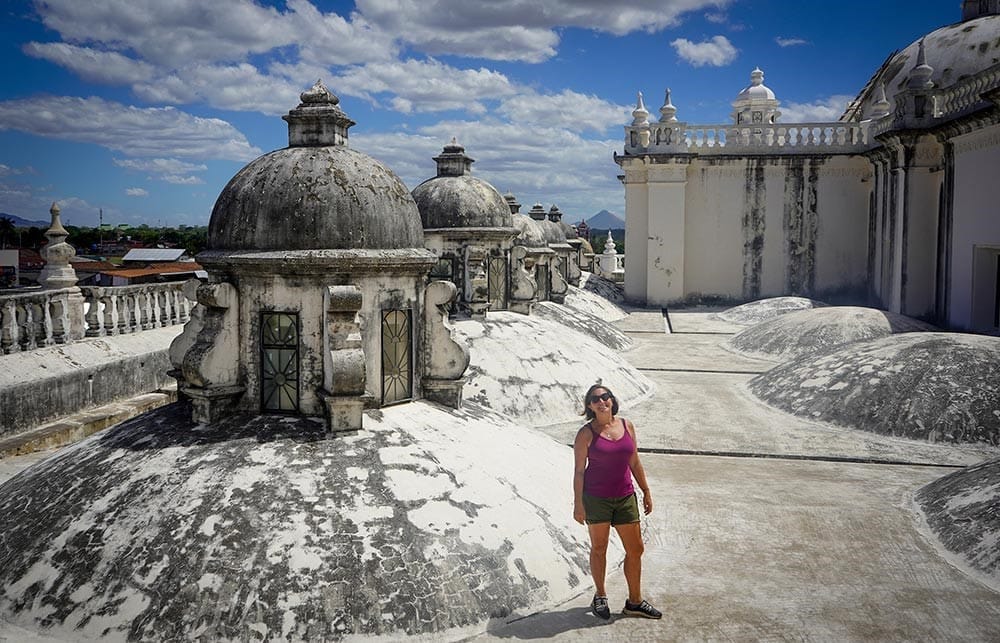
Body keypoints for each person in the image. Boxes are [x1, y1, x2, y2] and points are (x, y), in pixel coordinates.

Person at [573, 383, 662, 620]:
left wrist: (645, 490)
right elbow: (579, 471)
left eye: (605, 397)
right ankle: (600, 594)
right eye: (595, 399)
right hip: (596, 498)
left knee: (635, 549)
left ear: (612, 400)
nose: (601, 401)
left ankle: (634, 602)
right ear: (589, 406)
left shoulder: (627, 425)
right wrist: (578, 504)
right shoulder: (586, 434)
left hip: (625, 496)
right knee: (599, 548)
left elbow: (634, 461)